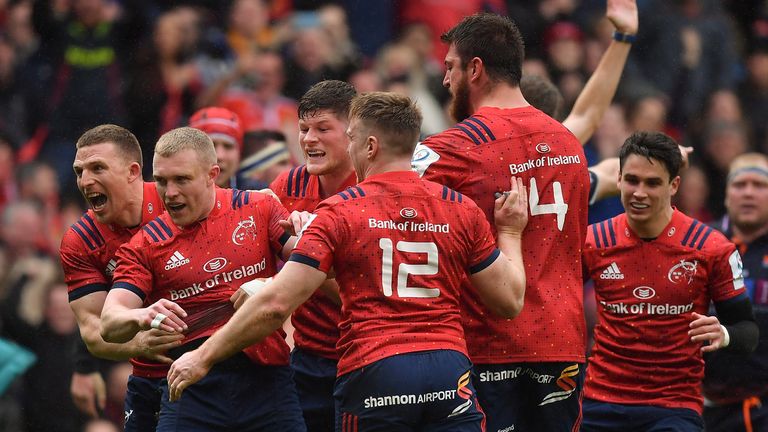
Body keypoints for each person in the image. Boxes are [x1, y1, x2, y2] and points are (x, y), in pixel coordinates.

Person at [166, 91, 528, 431]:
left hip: (375, 366)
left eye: (350, 137)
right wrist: (510, 233)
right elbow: (509, 301)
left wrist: (203, 356)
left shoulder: (340, 211)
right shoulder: (459, 208)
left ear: (370, 146)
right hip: (448, 371)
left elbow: (276, 305)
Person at [411, 13, 589, 431]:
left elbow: (382, 195)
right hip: (562, 344)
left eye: (450, 67)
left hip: (487, 345)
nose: (445, 81)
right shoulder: (570, 145)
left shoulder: (453, 147)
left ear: (475, 69)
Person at [99, 127, 305, 432]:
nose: (170, 193)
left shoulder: (258, 208)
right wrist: (141, 314)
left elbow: (313, 263)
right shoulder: (147, 243)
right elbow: (109, 322)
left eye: (182, 180)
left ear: (212, 174)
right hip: (191, 386)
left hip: (267, 381)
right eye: (161, 181)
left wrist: (305, 238)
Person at [581, 131, 759, 431]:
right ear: (619, 179)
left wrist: (725, 334)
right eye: (632, 180)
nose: (639, 192)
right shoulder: (594, 240)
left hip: (673, 407)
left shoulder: (710, 248)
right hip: (600, 401)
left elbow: (748, 331)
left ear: (674, 185)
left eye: (652, 183)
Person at [59, 124, 184, 430]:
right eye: (79, 171)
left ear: (132, 172)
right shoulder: (80, 240)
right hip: (150, 372)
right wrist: (138, 344)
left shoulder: (176, 201)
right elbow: (92, 331)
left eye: (97, 168)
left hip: (215, 357)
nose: (85, 181)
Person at [268, 80, 357, 432]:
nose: (308, 139)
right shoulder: (286, 187)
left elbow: (365, 292)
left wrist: (306, 255)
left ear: (354, 133)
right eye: (304, 129)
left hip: (365, 356)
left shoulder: (374, 188)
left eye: (323, 129)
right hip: (307, 356)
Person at [703, 153, 768, 432]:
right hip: (702, 406)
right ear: (727, 194)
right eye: (740, 185)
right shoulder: (701, 244)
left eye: (759, 185)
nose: (749, 193)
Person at [189, 106, 245, 189]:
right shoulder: (172, 194)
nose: (219, 156)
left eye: (228, 146)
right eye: (211, 145)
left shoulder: (257, 194)